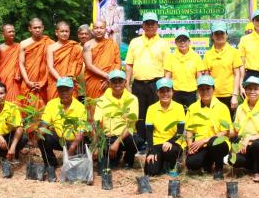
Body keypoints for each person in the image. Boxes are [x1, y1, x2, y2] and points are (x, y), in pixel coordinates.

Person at [125, 12, 169, 145]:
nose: (150, 26)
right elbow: (129, 64)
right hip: (138, 84)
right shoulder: (135, 42)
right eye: (147, 23)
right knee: (140, 114)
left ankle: (155, 141)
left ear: (157, 25)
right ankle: (141, 142)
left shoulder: (163, 43)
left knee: (157, 112)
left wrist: (165, 87)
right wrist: (127, 84)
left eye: (153, 23)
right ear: (143, 25)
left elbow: (167, 68)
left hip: (156, 84)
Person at [230, 76, 259, 182]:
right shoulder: (240, 108)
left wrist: (250, 138)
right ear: (245, 90)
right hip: (245, 146)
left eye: (256, 89)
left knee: (258, 144)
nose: (252, 91)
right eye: (249, 88)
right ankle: (256, 164)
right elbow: (236, 130)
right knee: (232, 160)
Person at [185, 75, 232, 179]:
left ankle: (219, 169)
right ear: (198, 91)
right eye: (202, 89)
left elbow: (226, 132)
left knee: (214, 141)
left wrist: (205, 140)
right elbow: (189, 130)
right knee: (191, 164)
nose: (205, 92)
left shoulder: (222, 107)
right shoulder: (193, 108)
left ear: (213, 89)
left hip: (219, 144)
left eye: (208, 88)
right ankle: (208, 163)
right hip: (200, 145)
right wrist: (190, 146)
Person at [95, 70, 139, 172]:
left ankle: (128, 158)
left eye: (120, 81)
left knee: (135, 140)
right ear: (109, 83)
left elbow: (131, 124)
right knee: (102, 171)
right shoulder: (102, 99)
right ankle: (115, 156)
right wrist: (96, 144)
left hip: (124, 136)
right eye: (114, 81)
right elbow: (96, 123)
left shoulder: (132, 99)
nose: (117, 84)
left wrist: (117, 142)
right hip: (107, 136)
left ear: (125, 82)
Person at [39, 77, 87, 170]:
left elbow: (81, 131)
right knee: (43, 137)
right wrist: (38, 136)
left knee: (77, 165)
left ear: (72, 90)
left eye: (67, 90)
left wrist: (72, 148)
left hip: (75, 141)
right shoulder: (52, 104)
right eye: (61, 90)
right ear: (57, 91)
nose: (64, 92)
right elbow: (44, 124)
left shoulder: (80, 107)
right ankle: (51, 164)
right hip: (59, 139)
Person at [144, 78, 185, 176]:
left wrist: (170, 141)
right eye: (162, 91)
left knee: (171, 150)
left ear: (172, 92)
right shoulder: (151, 108)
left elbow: (180, 130)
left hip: (174, 143)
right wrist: (151, 151)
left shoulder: (179, 107)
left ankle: (172, 164)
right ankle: (161, 163)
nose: (165, 94)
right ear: (157, 93)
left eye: (168, 90)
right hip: (157, 143)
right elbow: (149, 132)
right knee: (151, 171)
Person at [203, 21, 242, 114]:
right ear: (212, 36)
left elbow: (237, 75)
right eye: (217, 33)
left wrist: (235, 95)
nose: (219, 36)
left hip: (229, 95)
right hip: (212, 96)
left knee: (228, 125)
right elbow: (206, 78)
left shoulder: (234, 52)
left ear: (227, 35)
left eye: (222, 33)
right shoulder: (208, 55)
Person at [0, 82, 27, 163]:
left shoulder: (13, 107)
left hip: (10, 136)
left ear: (5, 94)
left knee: (24, 137)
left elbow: (20, 127)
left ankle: (13, 152)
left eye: (1, 93)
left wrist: (13, 146)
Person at [19, 18, 54, 108]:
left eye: (39, 27)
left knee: (45, 110)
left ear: (43, 28)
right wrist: (27, 81)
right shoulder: (24, 44)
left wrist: (43, 82)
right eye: (35, 28)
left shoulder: (50, 43)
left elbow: (52, 65)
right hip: (29, 81)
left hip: (45, 82)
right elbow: (21, 64)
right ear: (30, 29)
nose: (37, 30)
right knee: (28, 109)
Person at [164, 30, 204, 108]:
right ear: (175, 43)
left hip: (191, 93)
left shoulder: (196, 57)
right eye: (179, 40)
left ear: (189, 42)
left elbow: (199, 78)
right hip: (175, 93)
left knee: (190, 116)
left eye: (184, 40)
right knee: (177, 117)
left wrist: (200, 95)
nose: (182, 43)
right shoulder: (171, 57)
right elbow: (167, 78)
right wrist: (166, 93)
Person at [83, 20, 121, 99]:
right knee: (94, 106)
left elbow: (117, 63)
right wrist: (106, 76)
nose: (99, 30)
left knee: (110, 106)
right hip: (94, 80)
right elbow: (89, 65)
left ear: (105, 29)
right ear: (92, 30)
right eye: (96, 28)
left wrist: (110, 78)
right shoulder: (88, 45)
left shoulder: (112, 44)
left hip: (111, 81)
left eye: (101, 28)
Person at [46, 21, 83, 100]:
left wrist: (70, 77)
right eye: (62, 31)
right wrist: (60, 79)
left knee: (71, 107)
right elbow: (50, 66)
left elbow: (78, 64)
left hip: (70, 81)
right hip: (55, 80)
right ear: (56, 32)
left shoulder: (74, 46)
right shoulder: (51, 48)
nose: (65, 33)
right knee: (54, 106)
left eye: (67, 31)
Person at [0, 24, 22, 103]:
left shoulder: (19, 46)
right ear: (3, 34)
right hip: (4, 77)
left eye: (13, 31)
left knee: (17, 100)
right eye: (9, 32)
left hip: (16, 78)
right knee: (5, 97)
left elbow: (22, 62)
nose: (12, 33)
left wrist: (19, 73)